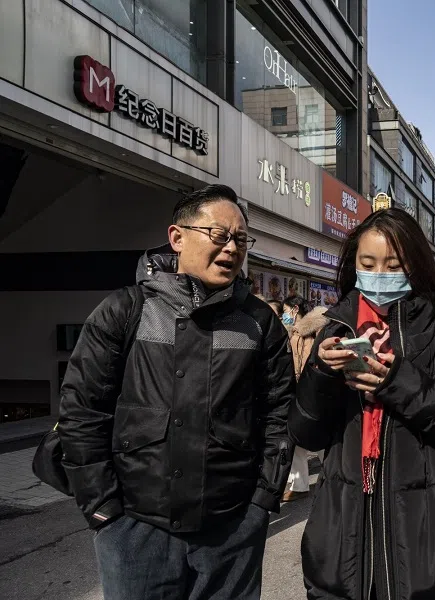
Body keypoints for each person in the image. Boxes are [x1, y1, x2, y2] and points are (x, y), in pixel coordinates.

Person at [57, 184, 294, 599]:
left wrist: (262, 500)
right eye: (219, 235)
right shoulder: (124, 310)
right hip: (135, 527)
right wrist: (104, 510)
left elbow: (279, 414)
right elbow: (82, 413)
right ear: (177, 237)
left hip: (232, 527)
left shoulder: (259, 321)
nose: (232, 248)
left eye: (241, 239)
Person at [288, 208, 435, 600]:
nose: (379, 274)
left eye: (393, 264)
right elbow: (305, 433)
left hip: (431, 536)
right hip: (343, 537)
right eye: (368, 264)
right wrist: (321, 373)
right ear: (354, 265)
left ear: (416, 266)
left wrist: (399, 383)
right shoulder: (334, 334)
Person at [281, 296, 328, 502]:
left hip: (311, 391)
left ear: (295, 309)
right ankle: (299, 485)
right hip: (293, 391)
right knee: (297, 438)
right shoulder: (292, 331)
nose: (284, 314)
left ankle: (335, 472)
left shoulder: (316, 330)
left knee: (316, 438)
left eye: (285, 310)